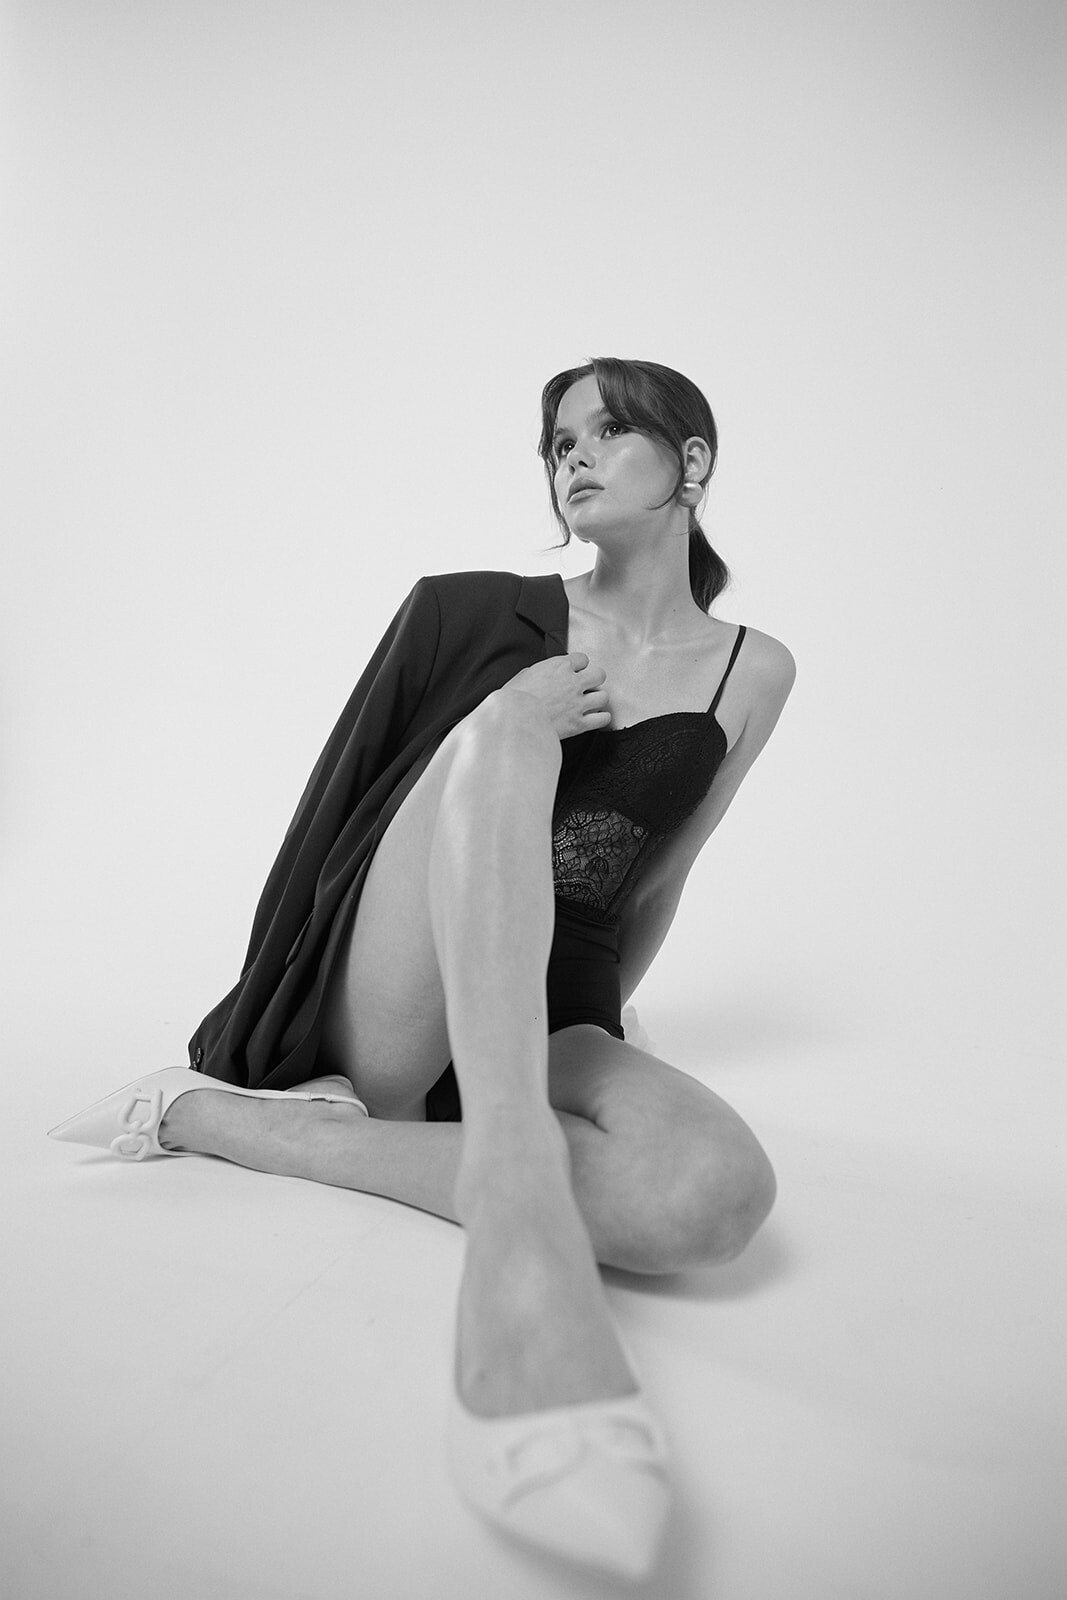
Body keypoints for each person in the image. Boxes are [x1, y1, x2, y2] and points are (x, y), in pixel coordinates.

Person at [49, 356, 796, 1580]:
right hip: (400, 979)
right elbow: (335, 822)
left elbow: (660, 876)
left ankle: (232, 1126)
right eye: (558, 441)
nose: (573, 456)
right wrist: (514, 719)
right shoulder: (466, 610)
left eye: (608, 431)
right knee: (506, 722)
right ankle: (519, 1228)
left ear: (692, 463)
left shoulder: (752, 670)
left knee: (714, 1194)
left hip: (552, 997)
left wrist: (600, 1048)